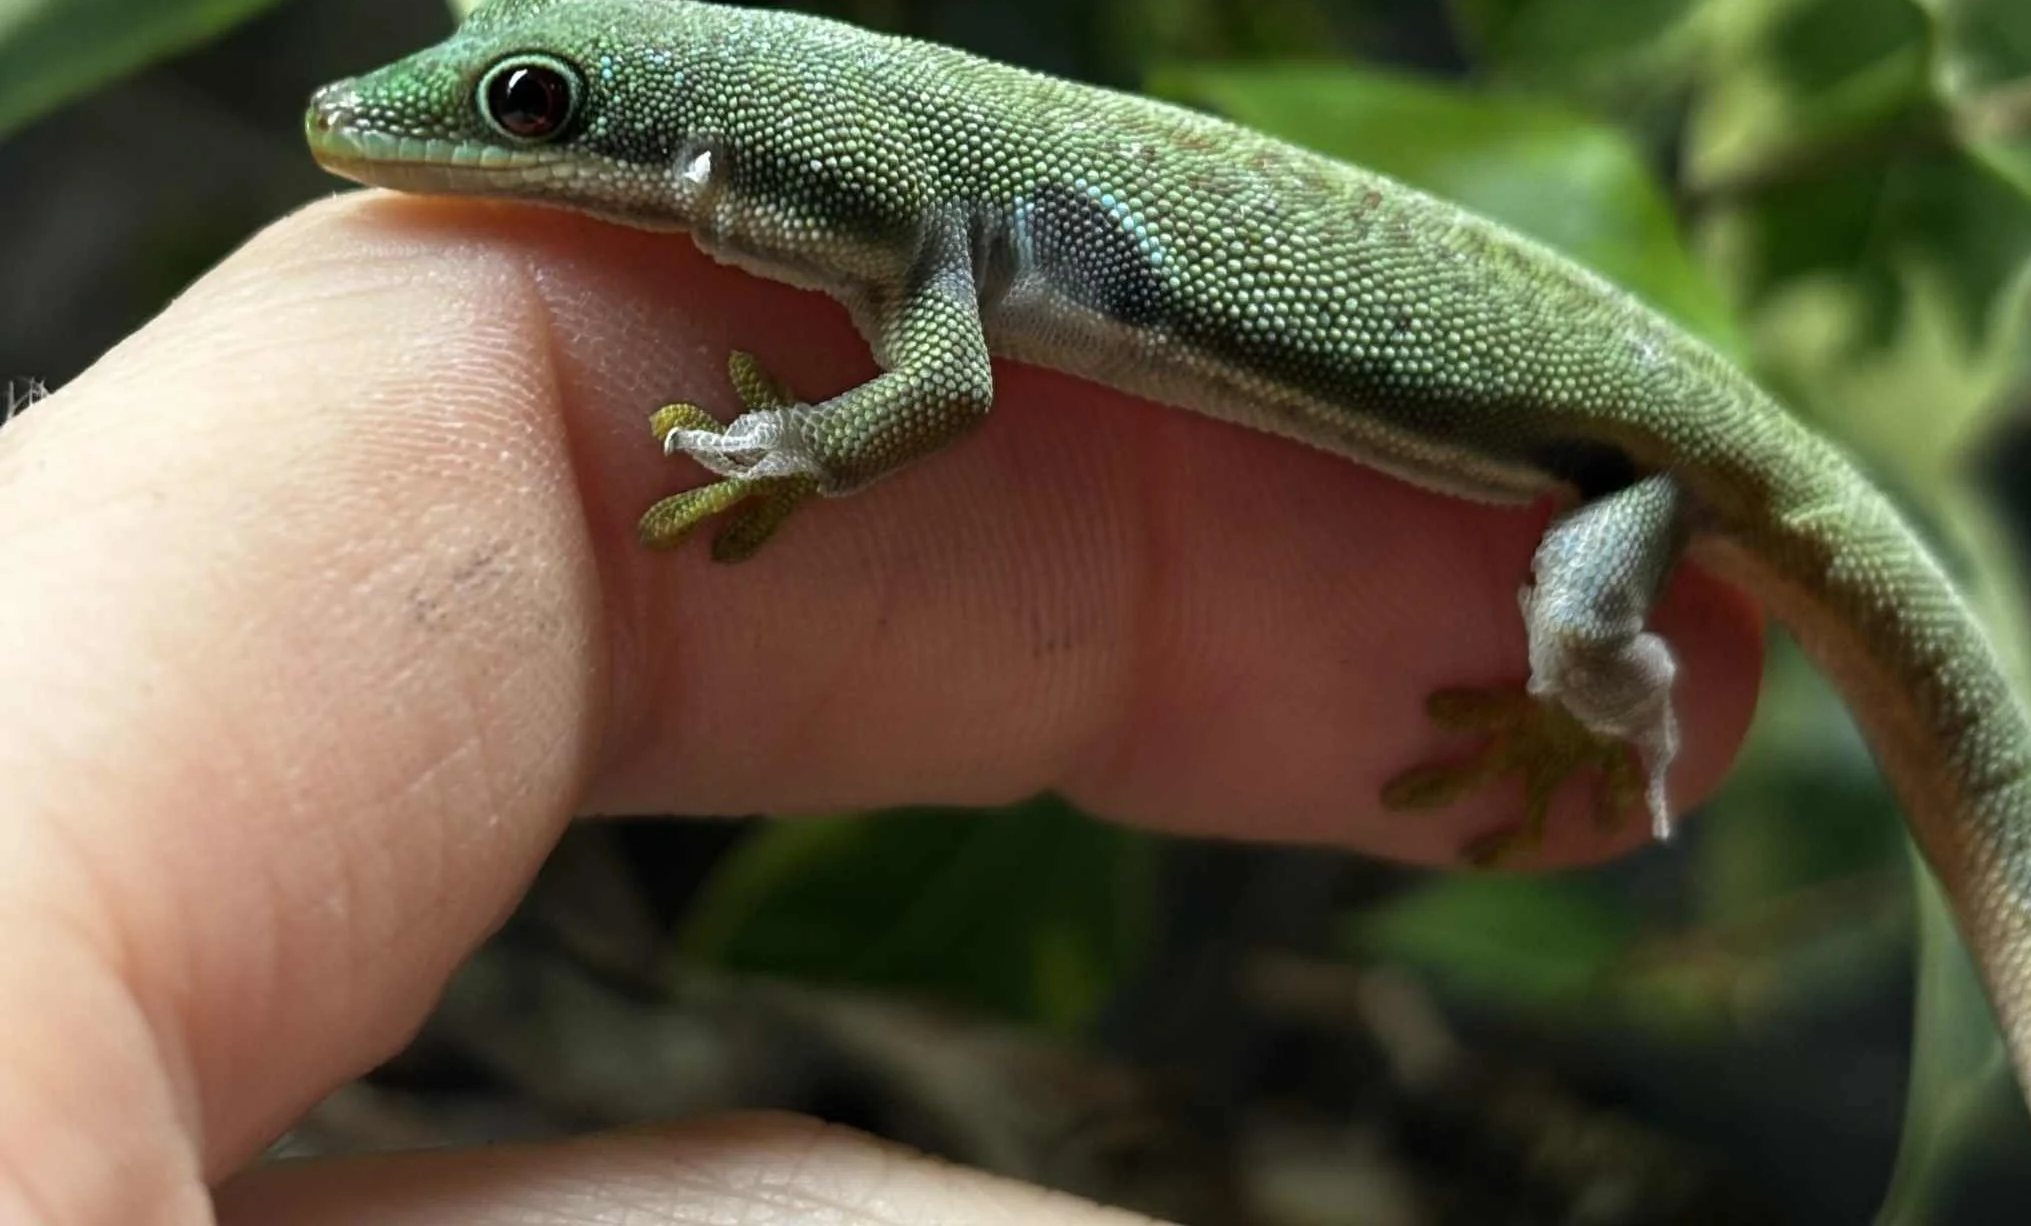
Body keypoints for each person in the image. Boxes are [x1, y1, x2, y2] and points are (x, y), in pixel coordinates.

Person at [0, 193, 1759, 1223]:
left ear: (708, 157)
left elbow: (953, 378)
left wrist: (793, 446)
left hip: (1637, 470)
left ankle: (1594, 705)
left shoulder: (900, 197)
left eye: (533, 107)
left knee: (1575, 629)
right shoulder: (895, 190)